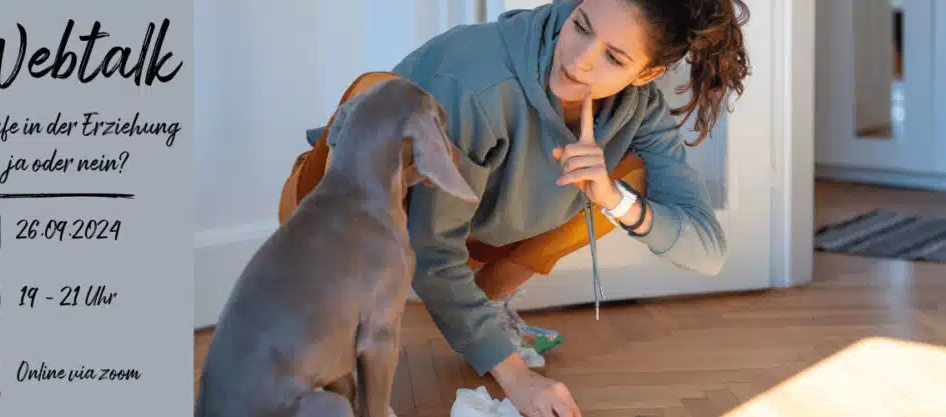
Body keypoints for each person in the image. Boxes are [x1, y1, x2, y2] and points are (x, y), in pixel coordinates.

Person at [279, 0, 750, 415]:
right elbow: (431, 248)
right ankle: (335, 333)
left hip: (468, 222)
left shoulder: (640, 108)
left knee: (626, 179)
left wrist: (612, 199)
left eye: (614, 56)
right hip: (331, 210)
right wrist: (516, 378)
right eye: (581, 24)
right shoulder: (479, 84)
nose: (580, 60)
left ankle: (488, 308)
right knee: (381, 95)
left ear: (647, 74)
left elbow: (708, 251)